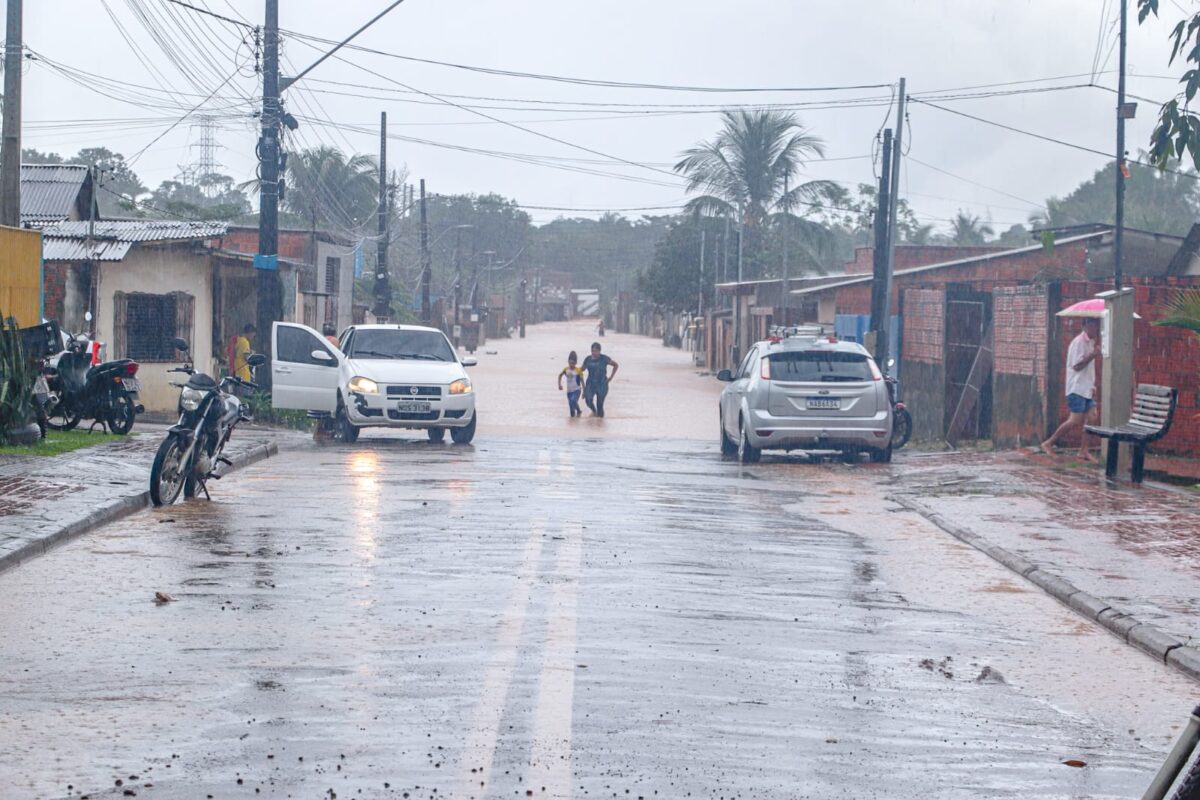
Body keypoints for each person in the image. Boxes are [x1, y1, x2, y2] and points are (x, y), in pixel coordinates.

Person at [1040, 316, 1101, 460]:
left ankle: (1084, 450)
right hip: (1076, 388)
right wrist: (1093, 355)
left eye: (1096, 326)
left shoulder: (1091, 342)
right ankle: (1048, 443)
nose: (1095, 329)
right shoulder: (1078, 342)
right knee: (1074, 420)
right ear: (1085, 325)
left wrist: (1093, 385)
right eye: (1092, 326)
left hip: (1087, 388)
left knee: (1092, 417)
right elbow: (1077, 365)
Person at [581, 341, 618, 417]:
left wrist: (611, 377)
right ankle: (594, 411)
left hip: (602, 384)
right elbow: (581, 369)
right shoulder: (588, 359)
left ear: (599, 351)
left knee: (600, 405)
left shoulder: (604, 358)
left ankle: (600, 423)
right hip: (590, 384)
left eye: (596, 351)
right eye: (592, 351)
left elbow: (616, 365)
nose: (594, 353)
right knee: (588, 400)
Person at [557, 350, 584, 418]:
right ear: (568, 361)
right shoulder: (566, 369)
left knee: (573, 401)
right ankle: (577, 413)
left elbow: (582, 381)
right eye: (570, 363)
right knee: (571, 406)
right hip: (569, 391)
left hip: (577, 390)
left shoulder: (578, 371)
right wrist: (559, 384)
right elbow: (560, 375)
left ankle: (575, 419)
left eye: (573, 363)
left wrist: (584, 391)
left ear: (576, 363)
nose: (571, 365)